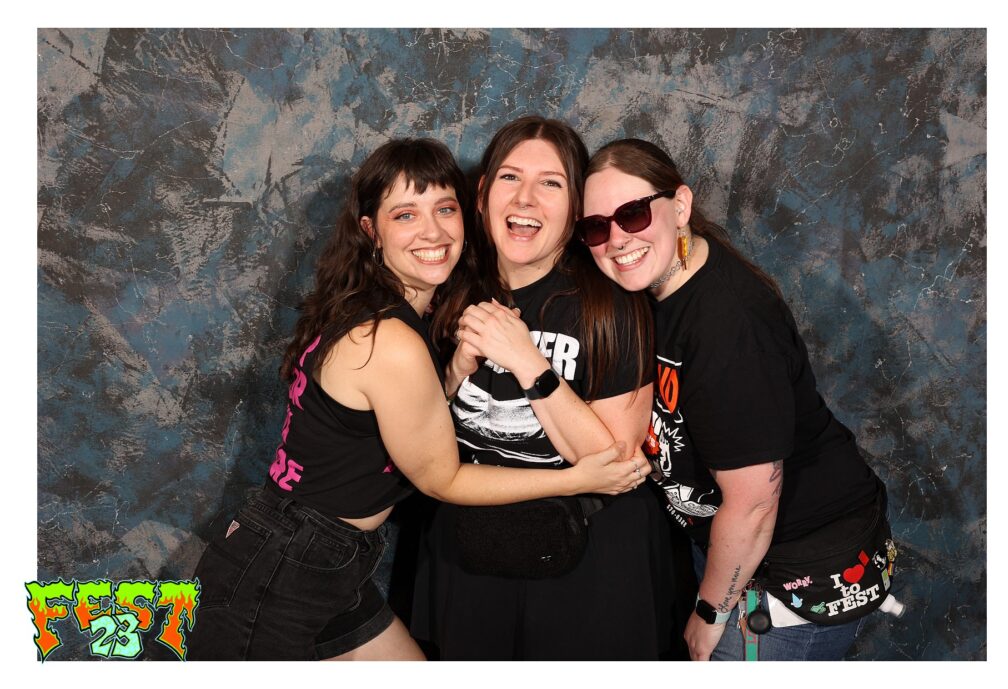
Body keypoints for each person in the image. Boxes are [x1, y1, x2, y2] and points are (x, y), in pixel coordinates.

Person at [187, 138, 649, 661]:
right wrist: (576, 480)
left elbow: (393, 421)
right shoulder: (391, 340)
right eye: (406, 215)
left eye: (444, 209)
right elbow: (441, 479)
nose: (433, 232)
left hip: (318, 555)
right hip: (279, 571)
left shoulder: (376, 309)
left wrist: (453, 373)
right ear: (371, 230)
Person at [579, 138, 895, 661]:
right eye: (596, 227)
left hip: (793, 574)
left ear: (680, 206)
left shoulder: (728, 324)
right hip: (736, 555)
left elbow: (753, 506)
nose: (616, 239)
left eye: (633, 214)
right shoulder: (660, 288)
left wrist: (710, 612)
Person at [411, 117, 675, 660]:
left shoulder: (608, 301)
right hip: (471, 552)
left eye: (550, 183)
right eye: (510, 177)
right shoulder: (447, 287)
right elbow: (416, 436)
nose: (525, 198)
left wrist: (527, 362)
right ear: (482, 194)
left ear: (576, 207)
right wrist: (455, 370)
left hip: (588, 559)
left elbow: (615, 461)